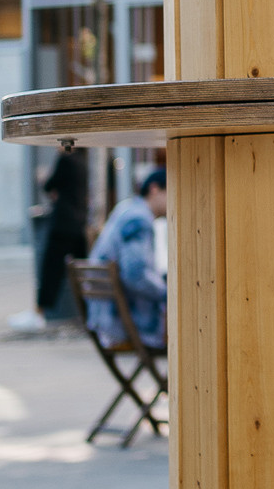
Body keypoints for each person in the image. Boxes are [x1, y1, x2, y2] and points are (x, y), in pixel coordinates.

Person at [84, 169, 168, 351]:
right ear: (154, 189)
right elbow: (136, 275)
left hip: (105, 317)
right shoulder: (138, 219)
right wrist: (170, 295)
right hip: (124, 325)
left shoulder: (126, 208)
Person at [16, 146, 90, 335]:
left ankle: (39, 313)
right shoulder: (82, 161)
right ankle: (89, 314)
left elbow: (49, 185)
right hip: (78, 223)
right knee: (81, 272)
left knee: (50, 270)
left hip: (63, 224)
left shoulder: (66, 160)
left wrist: (43, 177)